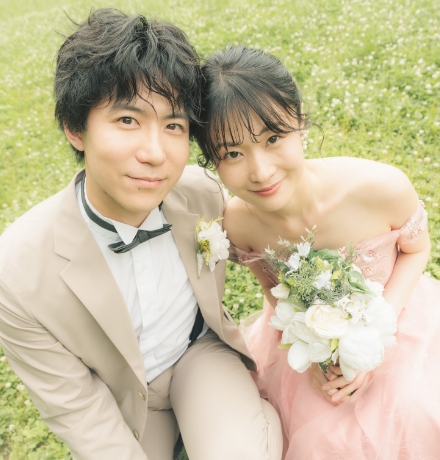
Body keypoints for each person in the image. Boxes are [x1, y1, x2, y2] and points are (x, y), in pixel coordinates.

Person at [0, 13, 283, 460]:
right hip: (117, 396)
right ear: (75, 128)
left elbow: (286, 210)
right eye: (128, 120)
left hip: (198, 356)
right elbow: (75, 408)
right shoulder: (16, 272)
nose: (154, 154)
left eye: (173, 126)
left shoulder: (202, 194)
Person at [194, 45, 440, 459]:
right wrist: (313, 354)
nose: (261, 171)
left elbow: (417, 250)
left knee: (415, 409)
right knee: (322, 434)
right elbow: (272, 290)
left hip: (399, 316)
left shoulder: (379, 188)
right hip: (308, 340)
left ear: (300, 121)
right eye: (233, 153)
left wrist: (372, 340)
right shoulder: (238, 223)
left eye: (273, 138)